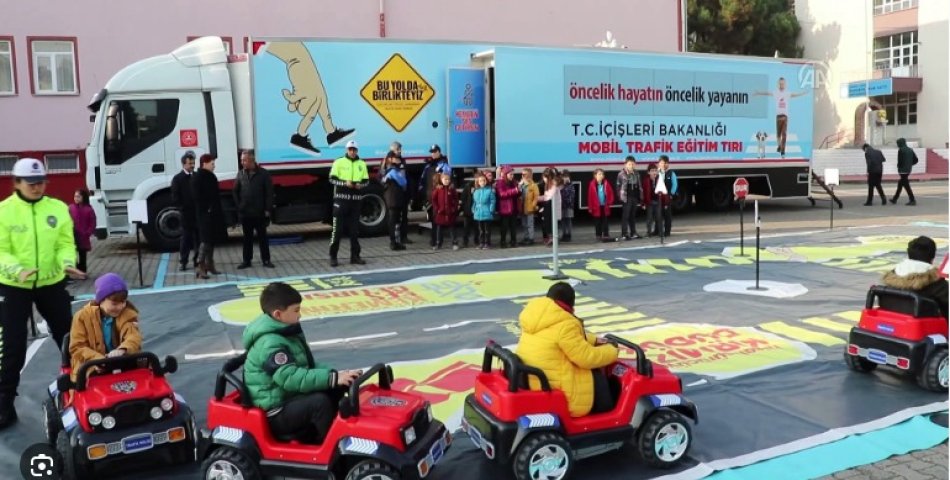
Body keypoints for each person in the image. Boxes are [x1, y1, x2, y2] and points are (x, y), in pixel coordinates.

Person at [0, 158, 85, 429]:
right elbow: (1, 251)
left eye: (41, 182)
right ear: (17, 183)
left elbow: (64, 243)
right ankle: (4, 405)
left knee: (69, 339)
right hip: (14, 285)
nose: (37, 187)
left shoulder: (58, 208)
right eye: (31, 183)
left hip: (51, 283)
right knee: (12, 346)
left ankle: (82, 390)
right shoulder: (4, 211)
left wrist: (67, 263)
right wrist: (17, 270)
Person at [243, 282, 362, 443]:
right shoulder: (270, 343)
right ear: (278, 314)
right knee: (320, 403)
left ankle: (341, 430)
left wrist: (338, 375)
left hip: (288, 397)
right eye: (296, 310)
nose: (300, 315)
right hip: (275, 412)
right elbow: (290, 378)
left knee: (337, 386)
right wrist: (331, 378)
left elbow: (305, 367)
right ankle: (331, 448)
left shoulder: (284, 330)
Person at [516, 282, 619, 417]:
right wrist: (612, 351)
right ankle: (607, 417)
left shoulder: (537, 315)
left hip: (534, 380)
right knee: (595, 374)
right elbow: (586, 358)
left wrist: (593, 339)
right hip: (557, 387)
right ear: (571, 304)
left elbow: (555, 337)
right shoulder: (566, 324)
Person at [267, 41, 354, 155]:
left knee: (319, 94)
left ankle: (329, 131)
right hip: (297, 57)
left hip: (297, 57)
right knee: (316, 96)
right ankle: (303, 134)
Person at [68, 273, 143, 382]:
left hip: (122, 361)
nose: (120, 307)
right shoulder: (82, 317)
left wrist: (123, 349)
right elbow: (77, 347)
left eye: (123, 302)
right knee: (87, 388)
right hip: (91, 366)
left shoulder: (127, 314)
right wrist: (99, 359)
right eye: (114, 303)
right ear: (101, 300)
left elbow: (133, 336)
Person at [882, 236, 948, 319]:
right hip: (926, 326)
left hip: (892, 322)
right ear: (932, 257)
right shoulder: (935, 281)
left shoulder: (893, 274)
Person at [328, 140, 368, 267]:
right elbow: (331, 179)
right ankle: (333, 256)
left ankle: (355, 256)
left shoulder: (362, 163)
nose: (352, 151)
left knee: (354, 231)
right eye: (350, 149)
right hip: (341, 200)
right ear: (346, 150)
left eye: (354, 149)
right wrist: (345, 183)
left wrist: (360, 185)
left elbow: (366, 181)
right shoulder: (338, 162)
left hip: (355, 201)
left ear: (357, 150)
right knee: (337, 230)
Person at [235, 150, 275, 269]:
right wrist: (239, 206)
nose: (242, 162)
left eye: (244, 160)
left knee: (262, 237)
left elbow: (269, 192)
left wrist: (267, 209)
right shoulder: (241, 174)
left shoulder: (263, 174)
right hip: (246, 213)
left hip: (259, 212)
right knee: (247, 238)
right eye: (241, 160)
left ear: (251, 160)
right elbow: (235, 191)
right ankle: (247, 260)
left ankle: (266, 260)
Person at [754, 77, 808, 157]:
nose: (781, 85)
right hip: (778, 117)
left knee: (784, 134)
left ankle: (783, 152)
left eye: (782, 83)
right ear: (778, 84)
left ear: (785, 84)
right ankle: (779, 146)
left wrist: (803, 93)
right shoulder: (776, 93)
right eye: (780, 83)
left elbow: (795, 95)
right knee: (778, 136)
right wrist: (759, 93)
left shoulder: (787, 93)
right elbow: (767, 93)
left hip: (785, 117)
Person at [192, 154, 225, 279]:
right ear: (204, 163)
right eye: (212, 163)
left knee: (211, 240)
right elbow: (197, 197)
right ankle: (200, 265)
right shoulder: (198, 177)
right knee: (205, 240)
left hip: (212, 214)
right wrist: (208, 208)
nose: (214, 165)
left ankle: (210, 264)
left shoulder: (210, 176)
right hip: (205, 214)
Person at [171, 151, 199, 271]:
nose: (192, 165)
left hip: (197, 213)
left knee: (198, 238)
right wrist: (182, 208)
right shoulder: (178, 179)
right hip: (186, 214)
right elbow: (175, 197)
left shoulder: (197, 176)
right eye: (190, 163)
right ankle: (183, 261)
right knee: (186, 239)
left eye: (193, 163)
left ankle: (197, 260)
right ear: (184, 164)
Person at [419, 145, 451, 239]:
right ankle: (434, 239)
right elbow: (422, 180)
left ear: (439, 152)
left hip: (440, 195)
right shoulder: (428, 165)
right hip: (429, 195)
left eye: (435, 151)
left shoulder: (444, 164)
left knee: (438, 217)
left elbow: (447, 178)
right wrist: (421, 191)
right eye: (432, 152)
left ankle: (438, 238)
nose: (433, 153)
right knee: (432, 218)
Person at [381, 151, 409, 251]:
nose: (398, 160)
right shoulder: (393, 171)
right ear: (391, 159)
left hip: (391, 198)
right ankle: (394, 243)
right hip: (394, 198)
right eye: (396, 158)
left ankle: (396, 242)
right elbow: (403, 182)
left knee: (395, 220)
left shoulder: (385, 169)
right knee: (394, 221)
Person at [69, 188, 96, 273]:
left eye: (78, 196)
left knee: (82, 255)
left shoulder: (89, 209)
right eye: (75, 196)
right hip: (72, 235)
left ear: (83, 197)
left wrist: (88, 233)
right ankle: (76, 269)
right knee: (72, 254)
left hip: (83, 236)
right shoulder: (71, 208)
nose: (76, 198)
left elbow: (92, 223)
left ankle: (83, 271)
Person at [431, 173, 460, 251]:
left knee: (452, 229)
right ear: (441, 180)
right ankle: (438, 244)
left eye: (448, 179)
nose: (447, 181)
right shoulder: (438, 189)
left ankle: (454, 243)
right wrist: (437, 209)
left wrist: (454, 208)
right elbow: (434, 200)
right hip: (441, 213)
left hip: (450, 213)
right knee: (439, 229)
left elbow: (456, 199)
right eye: (445, 179)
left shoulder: (452, 189)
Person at [616, 156, 643, 240]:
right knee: (626, 216)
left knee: (633, 215)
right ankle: (624, 233)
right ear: (625, 165)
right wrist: (620, 197)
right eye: (629, 164)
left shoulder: (637, 173)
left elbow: (639, 185)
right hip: (626, 197)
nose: (631, 166)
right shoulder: (621, 174)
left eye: (633, 164)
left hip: (634, 196)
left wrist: (640, 196)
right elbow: (618, 186)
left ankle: (633, 232)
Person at [495, 166, 521, 248]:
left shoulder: (514, 182)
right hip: (505, 208)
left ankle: (513, 241)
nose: (512, 176)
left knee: (513, 226)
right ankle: (503, 242)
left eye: (513, 174)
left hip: (513, 207)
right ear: (505, 174)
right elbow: (502, 194)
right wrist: (515, 190)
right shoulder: (500, 182)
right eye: (510, 174)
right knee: (504, 227)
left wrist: (519, 190)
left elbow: (517, 194)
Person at [587, 168, 615, 241]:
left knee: (605, 221)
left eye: (602, 174)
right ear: (595, 175)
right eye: (599, 174)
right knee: (597, 222)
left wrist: (610, 201)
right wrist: (590, 207)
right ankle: (598, 235)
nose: (601, 176)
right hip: (596, 207)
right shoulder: (592, 184)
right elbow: (590, 196)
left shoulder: (606, 183)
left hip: (604, 206)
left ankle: (606, 234)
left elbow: (610, 192)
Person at [538, 168, 563, 246]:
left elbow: (549, 197)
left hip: (553, 209)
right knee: (550, 224)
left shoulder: (554, 186)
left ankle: (554, 239)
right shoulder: (548, 185)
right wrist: (537, 198)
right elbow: (546, 196)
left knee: (553, 225)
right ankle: (552, 239)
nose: (544, 179)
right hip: (550, 209)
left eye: (545, 177)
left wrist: (538, 198)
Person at [471, 173, 496, 249]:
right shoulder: (476, 191)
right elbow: (474, 202)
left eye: (484, 181)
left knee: (487, 230)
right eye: (480, 181)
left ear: (486, 181)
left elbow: (493, 201)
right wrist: (473, 209)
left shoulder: (489, 191)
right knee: (481, 230)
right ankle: (481, 243)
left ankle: (487, 243)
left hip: (487, 212)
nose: (482, 182)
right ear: (478, 182)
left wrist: (491, 210)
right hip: (478, 213)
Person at [891, 137, 918, 206]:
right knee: (900, 184)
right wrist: (909, 164)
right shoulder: (910, 150)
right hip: (908, 169)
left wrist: (899, 167)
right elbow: (916, 160)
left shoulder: (901, 150)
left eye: (898, 143)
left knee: (906, 186)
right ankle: (895, 199)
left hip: (902, 170)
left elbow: (900, 161)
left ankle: (912, 200)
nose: (897, 145)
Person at [642, 163, 665, 237]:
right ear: (648, 172)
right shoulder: (646, 181)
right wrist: (643, 203)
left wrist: (665, 203)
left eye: (655, 171)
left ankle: (660, 232)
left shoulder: (659, 180)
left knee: (659, 217)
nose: (654, 172)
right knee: (649, 218)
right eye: (652, 171)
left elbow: (663, 191)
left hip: (658, 201)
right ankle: (649, 232)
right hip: (650, 202)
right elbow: (643, 193)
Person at [657, 156, 678, 237]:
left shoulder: (671, 173)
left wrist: (671, 194)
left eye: (666, 163)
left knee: (667, 215)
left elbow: (675, 184)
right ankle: (658, 231)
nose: (664, 164)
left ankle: (667, 232)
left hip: (667, 197)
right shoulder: (657, 172)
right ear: (659, 164)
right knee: (658, 215)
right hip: (658, 197)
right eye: (662, 163)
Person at [518, 168, 539, 246]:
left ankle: (531, 238)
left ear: (529, 175)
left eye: (524, 174)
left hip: (529, 208)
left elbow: (536, 197)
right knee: (524, 224)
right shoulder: (521, 185)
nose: (522, 176)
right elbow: (518, 193)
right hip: (522, 207)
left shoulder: (533, 185)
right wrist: (519, 185)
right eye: (522, 174)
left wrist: (533, 206)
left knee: (530, 224)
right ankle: (526, 237)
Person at [460, 176, 477, 248]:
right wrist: (463, 209)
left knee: (477, 227)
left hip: (477, 211)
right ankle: (465, 242)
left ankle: (477, 241)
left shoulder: (481, 186)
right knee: (466, 227)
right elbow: (463, 198)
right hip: (468, 210)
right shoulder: (468, 186)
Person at [559, 170, 575, 242]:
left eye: (566, 176)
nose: (564, 178)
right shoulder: (560, 185)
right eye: (563, 177)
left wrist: (569, 202)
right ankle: (564, 233)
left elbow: (572, 195)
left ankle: (569, 234)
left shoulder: (570, 185)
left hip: (569, 206)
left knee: (568, 220)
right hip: (561, 205)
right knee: (563, 220)